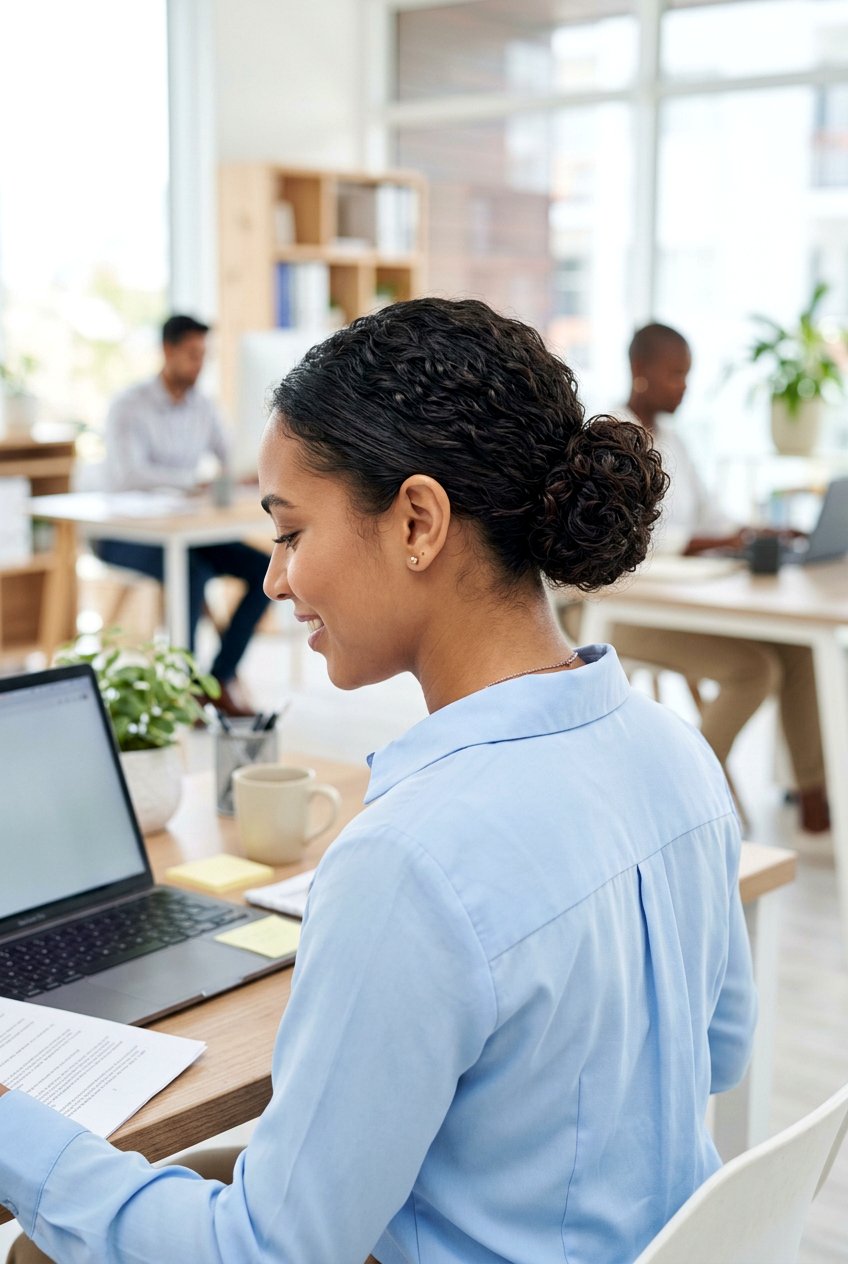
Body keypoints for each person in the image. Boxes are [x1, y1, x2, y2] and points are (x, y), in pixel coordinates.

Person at [1, 299, 756, 1264]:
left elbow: (264, 1253)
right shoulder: (675, 751)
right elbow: (720, 1054)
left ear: (417, 521)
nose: (275, 580)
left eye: (289, 533)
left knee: (40, 1242)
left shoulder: (415, 856)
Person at [611, 322, 829, 834]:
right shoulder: (613, 437)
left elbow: (710, 516)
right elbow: (644, 540)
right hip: (625, 612)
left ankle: (815, 794)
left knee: (796, 649)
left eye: (688, 374)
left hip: (681, 603)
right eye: (675, 374)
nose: (684, 386)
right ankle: (675, 805)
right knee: (753, 669)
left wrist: (755, 531)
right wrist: (721, 543)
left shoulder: (675, 441)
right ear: (640, 372)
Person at [95, 314, 270, 716]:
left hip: (187, 532)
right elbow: (128, 476)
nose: (199, 364)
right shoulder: (129, 406)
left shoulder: (203, 407)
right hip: (127, 535)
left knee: (264, 571)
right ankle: (181, 691)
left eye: (203, 355)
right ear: (168, 351)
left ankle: (218, 679)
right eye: (192, 354)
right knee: (190, 574)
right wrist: (192, 481)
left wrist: (246, 471)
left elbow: (231, 459)